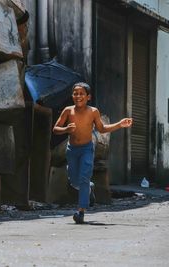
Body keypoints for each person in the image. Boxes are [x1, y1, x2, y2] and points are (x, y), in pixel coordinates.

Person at [53, 82, 133, 224]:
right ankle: (89, 187)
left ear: (88, 97)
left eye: (81, 93)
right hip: (72, 150)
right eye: (75, 93)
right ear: (72, 96)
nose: (78, 96)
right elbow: (55, 128)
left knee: (83, 178)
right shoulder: (68, 110)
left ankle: (81, 211)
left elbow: (101, 129)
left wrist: (119, 124)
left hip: (87, 149)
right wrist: (66, 129)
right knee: (74, 181)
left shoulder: (93, 111)